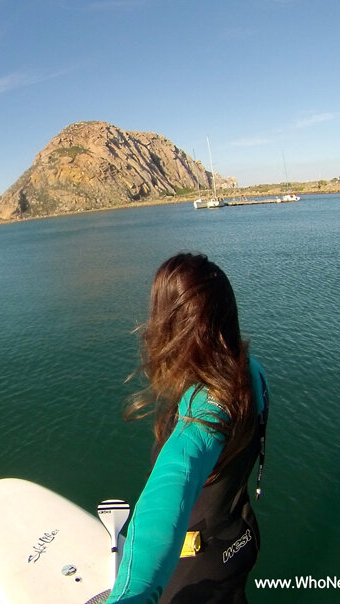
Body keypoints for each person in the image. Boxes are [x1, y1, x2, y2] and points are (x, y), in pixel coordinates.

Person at [106, 253, 270, 604]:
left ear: (173, 326)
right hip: (239, 539)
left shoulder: (205, 413)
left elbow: (167, 495)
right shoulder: (251, 371)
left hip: (197, 566)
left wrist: (129, 595)